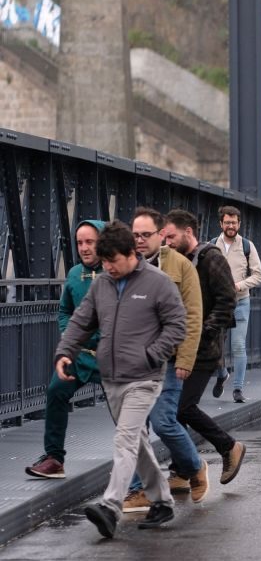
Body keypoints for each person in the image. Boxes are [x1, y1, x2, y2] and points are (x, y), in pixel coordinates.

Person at [55, 221, 187, 538]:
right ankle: (164, 501)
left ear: (131, 254)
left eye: (113, 261)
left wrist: (151, 355)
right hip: (112, 378)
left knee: (124, 440)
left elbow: (177, 326)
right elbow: (81, 321)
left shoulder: (158, 283)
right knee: (136, 443)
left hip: (144, 378)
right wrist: (65, 352)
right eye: (104, 262)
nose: (109, 267)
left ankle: (110, 507)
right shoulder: (102, 284)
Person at [122, 207, 209, 512]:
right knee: (135, 426)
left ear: (161, 235)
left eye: (146, 235)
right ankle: (137, 490)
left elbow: (194, 315)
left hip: (170, 360)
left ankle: (195, 466)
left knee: (162, 421)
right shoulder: (127, 267)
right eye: (135, 235)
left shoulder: (182, 266)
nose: (140, 240)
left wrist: (186, 358)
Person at [162, 210, 248, 484]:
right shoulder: (174, 261)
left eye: (171, 236)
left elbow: (227, 302)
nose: (167, 242)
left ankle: (229, 447)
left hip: (204, 348)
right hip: (178, 348)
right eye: (164, 238)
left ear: (189, 232)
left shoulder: (211, 259)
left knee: (182, 408)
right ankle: (181, 470)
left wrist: (203, 333)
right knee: (175, 408)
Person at [25, 220, 106, 479]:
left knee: (127, 412)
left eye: (89, 242)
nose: (83, 248)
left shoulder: (116, 270)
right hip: (81, 355)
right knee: (56, 392)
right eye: (79, 242)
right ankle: (54, 458)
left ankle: (147, 468)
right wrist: (68, 335)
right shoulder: (73, 274)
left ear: (103, 241)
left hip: (111, 356)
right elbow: (64, 310)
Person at [212, 205, 261, 403]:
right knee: (214, 347)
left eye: (234, 222)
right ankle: (222, 373)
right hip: (217, 304)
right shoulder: (211, 245)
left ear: (239, 224)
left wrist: (240, 285)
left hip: (240, 302)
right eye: (227, 222)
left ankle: (238, 389)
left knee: (238, 346)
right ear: (221, 223)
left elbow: (259, 275)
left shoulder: (247, 246)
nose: (231, 225)